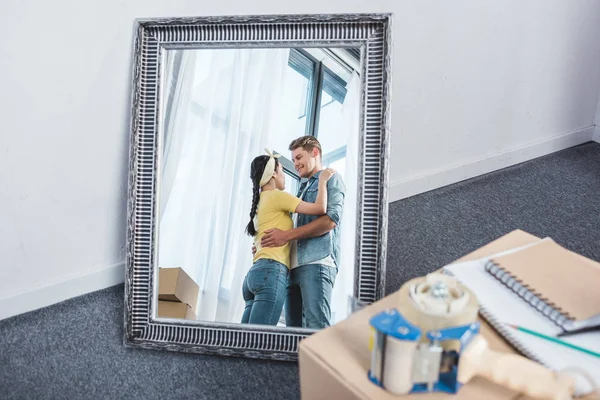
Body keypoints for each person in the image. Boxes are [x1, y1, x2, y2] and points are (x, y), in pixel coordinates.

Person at [241, 148, 335, 325]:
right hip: (271, 273)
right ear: (274, 175)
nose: (284, 175)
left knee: (243, 341)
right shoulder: (277, 196)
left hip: (253, 276)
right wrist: (323, 180)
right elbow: (320, 209)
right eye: (283, 171)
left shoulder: (260, 201)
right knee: (258, 342)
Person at [261, 136, 346, 329]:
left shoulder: (331, 179)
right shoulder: (301, 189)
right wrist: (268, 241)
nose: (296, 164)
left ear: (315, 152)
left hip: (317, 263)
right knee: (293, 332)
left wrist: (285, 236)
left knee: (316, 328)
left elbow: (330, 221)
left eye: (299, 157)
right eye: (293, 160)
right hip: (293, 267)